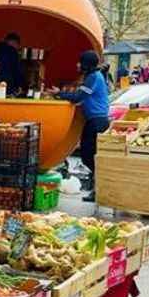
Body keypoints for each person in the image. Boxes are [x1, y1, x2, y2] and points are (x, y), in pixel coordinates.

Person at [48, 50, 110, 203]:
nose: (77, 65)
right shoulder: (93, 76)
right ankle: (97, 189)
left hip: (97, 121)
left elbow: (78, 97)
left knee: (90, 156)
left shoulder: (93, 78)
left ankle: (99, 189)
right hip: (94, 120)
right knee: (89, 156)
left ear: (86, 64)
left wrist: (59, 93)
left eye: (80, 62)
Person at [0, 32, 24, 96]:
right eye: (18, 46)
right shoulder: (12, 51)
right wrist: (20, 86)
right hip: (7, 89)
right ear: (15, 43)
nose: (18, 48)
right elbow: (16, 71)